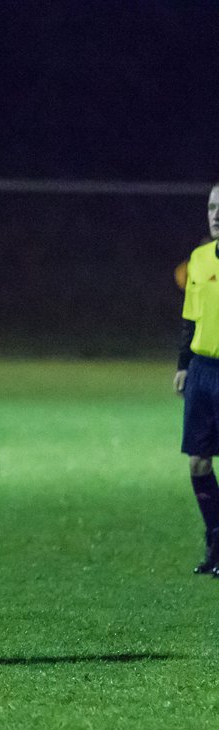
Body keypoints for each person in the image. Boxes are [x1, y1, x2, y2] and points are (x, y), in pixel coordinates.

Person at [174, 182, 219, 574]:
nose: (216, 214)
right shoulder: (200, 259)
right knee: (198, 463)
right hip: (204, 372)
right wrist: (183, 364)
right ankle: (216, 538)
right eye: (211, 207)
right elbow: (190, 317)